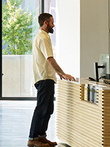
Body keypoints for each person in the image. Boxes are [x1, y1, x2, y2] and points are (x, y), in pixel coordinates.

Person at [29, 12, 75, 147]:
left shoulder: (42, 37)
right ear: (45, 23)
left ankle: (41, 136)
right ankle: (33, 138)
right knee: (41, 109)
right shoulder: (43, 38)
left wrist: (57, 74)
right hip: (44, 78)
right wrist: (62, 73)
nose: (53, 25)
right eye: (52, 22)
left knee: (48, 109)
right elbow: (50, 59)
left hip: (47, 78)